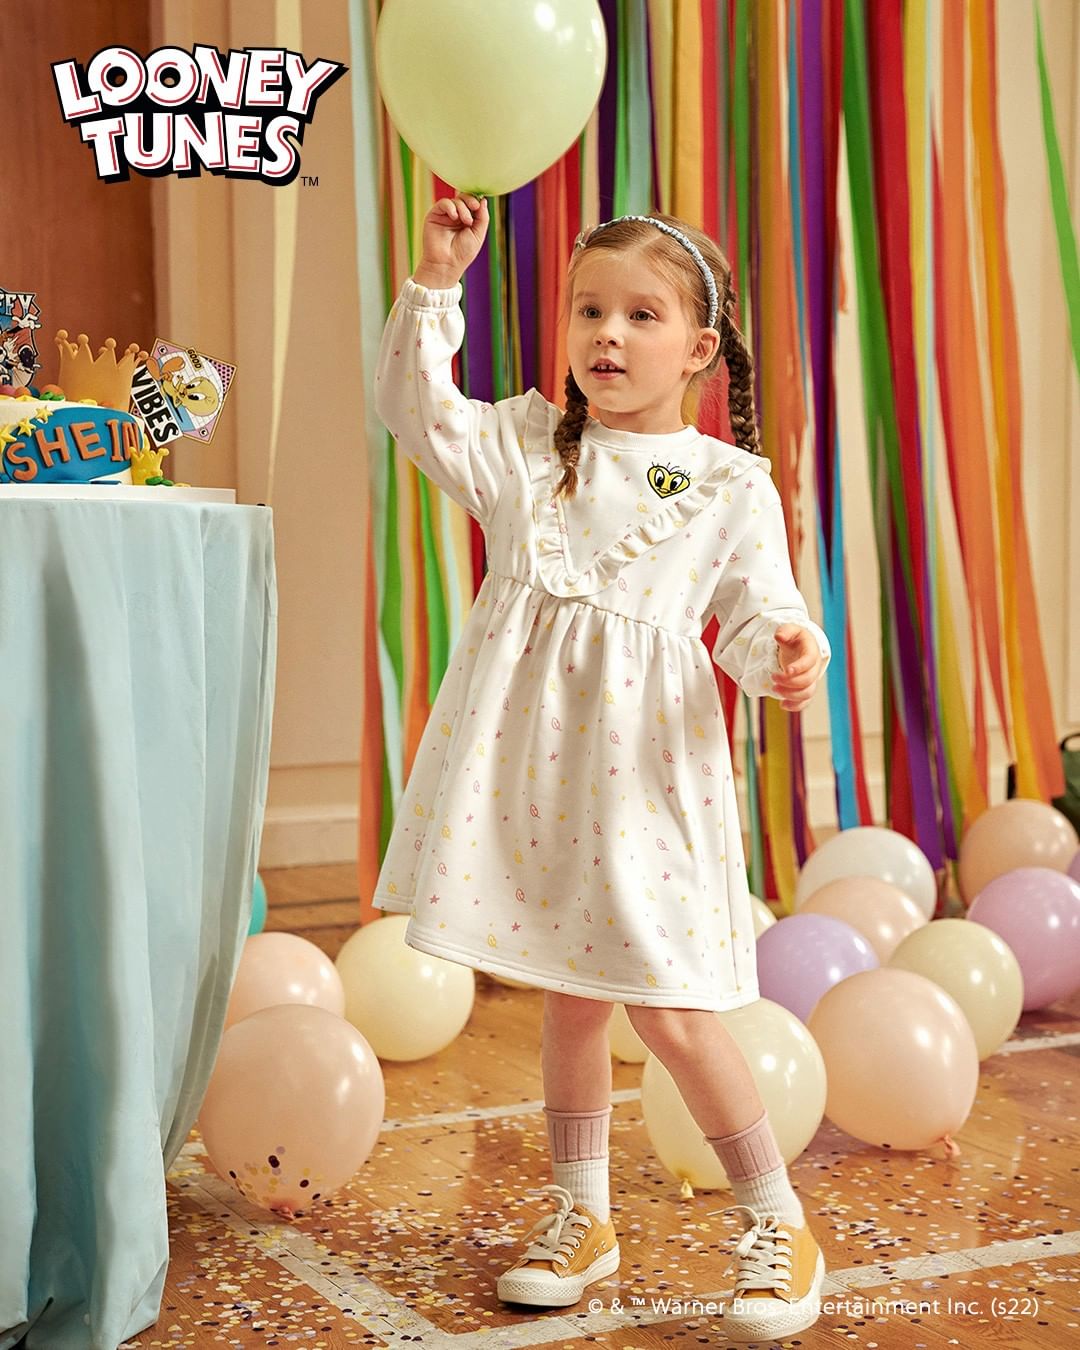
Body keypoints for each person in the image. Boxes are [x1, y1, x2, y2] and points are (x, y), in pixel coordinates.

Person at [371, 192, 831, 1342]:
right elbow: (413, 408)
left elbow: (753, 615)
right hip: (535, 784)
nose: (608, 335)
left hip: (644, 789)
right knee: (571, 1000)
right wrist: (437, 284)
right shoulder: (527, 450)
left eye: (640, 314)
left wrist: (785, 653)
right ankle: (582, 1212)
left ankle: (778, 1222)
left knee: (673, 1014)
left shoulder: (727, 485)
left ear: (700, 349)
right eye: (589, 310)